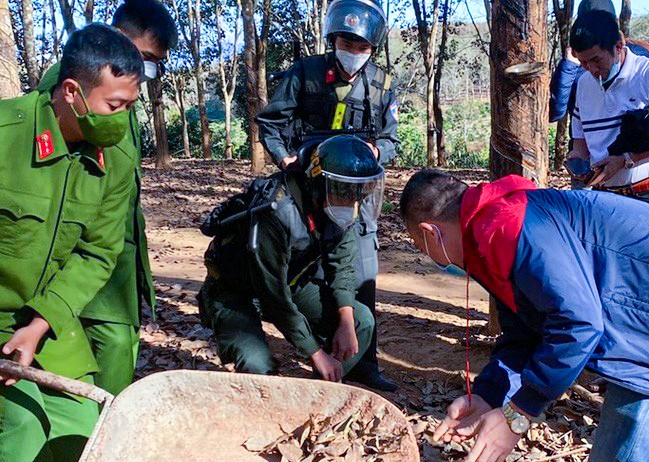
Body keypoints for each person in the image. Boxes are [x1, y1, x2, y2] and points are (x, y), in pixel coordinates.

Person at [399, 169, 649, 462]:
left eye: (417, 243)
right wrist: (489, 395)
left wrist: (518, 415)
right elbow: (525, 331)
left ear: (430, 232)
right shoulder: (490, 226)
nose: (426, 253)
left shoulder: (506, 229)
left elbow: (578, 324)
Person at [0, 24, 143, 462]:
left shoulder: (116, 161)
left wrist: (38, 327)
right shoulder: (5, 134)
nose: (124, 116)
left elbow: (96, 254)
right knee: (21, 436)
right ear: (71, 92)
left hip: (48, 324)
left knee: (85, 437)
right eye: (115, 103)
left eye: (132, 103)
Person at [256, 0, 400, 391]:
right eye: (345, 42)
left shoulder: (383, 84)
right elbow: (271, 121)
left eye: (361, 46)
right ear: (333, 39)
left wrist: (375, 151)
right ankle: (319, 347)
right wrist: (285, 158)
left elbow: (391, 139)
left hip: (360, 186)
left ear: (373, 48)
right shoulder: (304, 74)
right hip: (309, 180)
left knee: (362, 272)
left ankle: (363, 363)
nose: (352, 52)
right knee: (315, 265)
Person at [37, 0, 178, 396]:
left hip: (113, 251)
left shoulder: (121, 95)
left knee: (118, 349)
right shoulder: (73, 86)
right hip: (79, 252)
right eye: (144, 56)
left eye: (155, 62)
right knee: (108, 349)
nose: (148, 70)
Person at [198, 136, 377, 383]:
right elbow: (274, 296)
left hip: (294, 281)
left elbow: (342, 266)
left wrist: (346, 322)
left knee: (361, 322)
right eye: (343, 190)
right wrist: (315, 352)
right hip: (234, 289)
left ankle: (319, 393)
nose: (352, 199)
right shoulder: (277, 212)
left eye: (360, 190)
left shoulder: (345, 207)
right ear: (317, 182)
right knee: (258, 366)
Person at [549, 0, 649, 191]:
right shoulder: (583, 84)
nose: (591, 69)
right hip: (601, 194)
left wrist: (627, 159)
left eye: (596, 60)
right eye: (584, 62)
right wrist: (577, 158)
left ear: (619, 45)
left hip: (646, 192)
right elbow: (580, 138)